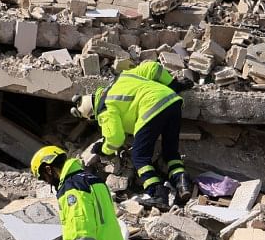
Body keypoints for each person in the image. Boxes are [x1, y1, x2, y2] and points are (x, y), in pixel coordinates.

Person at [72, 60, 192, 208]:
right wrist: (174, 85)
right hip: (172, 100)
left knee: (140, 156)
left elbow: (115, 139)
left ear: (92, 114)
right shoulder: (121, 79)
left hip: (151, 108)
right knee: (170, 151)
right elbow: (152, 67)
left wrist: (102, 149)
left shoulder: (104, 109)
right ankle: (182, 182)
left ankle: (158, 194)